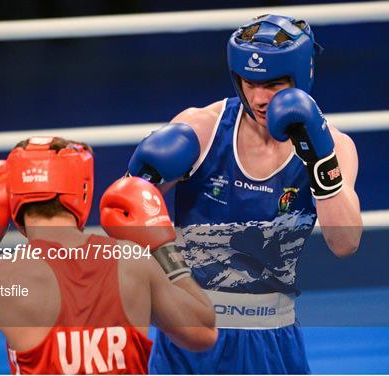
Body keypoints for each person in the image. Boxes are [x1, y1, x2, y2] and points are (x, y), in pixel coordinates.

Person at [125, 14, 363, 373]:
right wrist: (140, 180)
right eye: (249, 83)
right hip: (191, 332)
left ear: (301, 77)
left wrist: (319, 159)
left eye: (274, 84)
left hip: (271, 337)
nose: (259, 98)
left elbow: (345, 244)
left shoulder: (335, 146)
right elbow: (125, 210)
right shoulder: (201, 128)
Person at [0, 136, 216, 374]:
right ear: (82, 190)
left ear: (14, 198)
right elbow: (204, 332)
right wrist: (162, 247)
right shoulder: (132, 261)